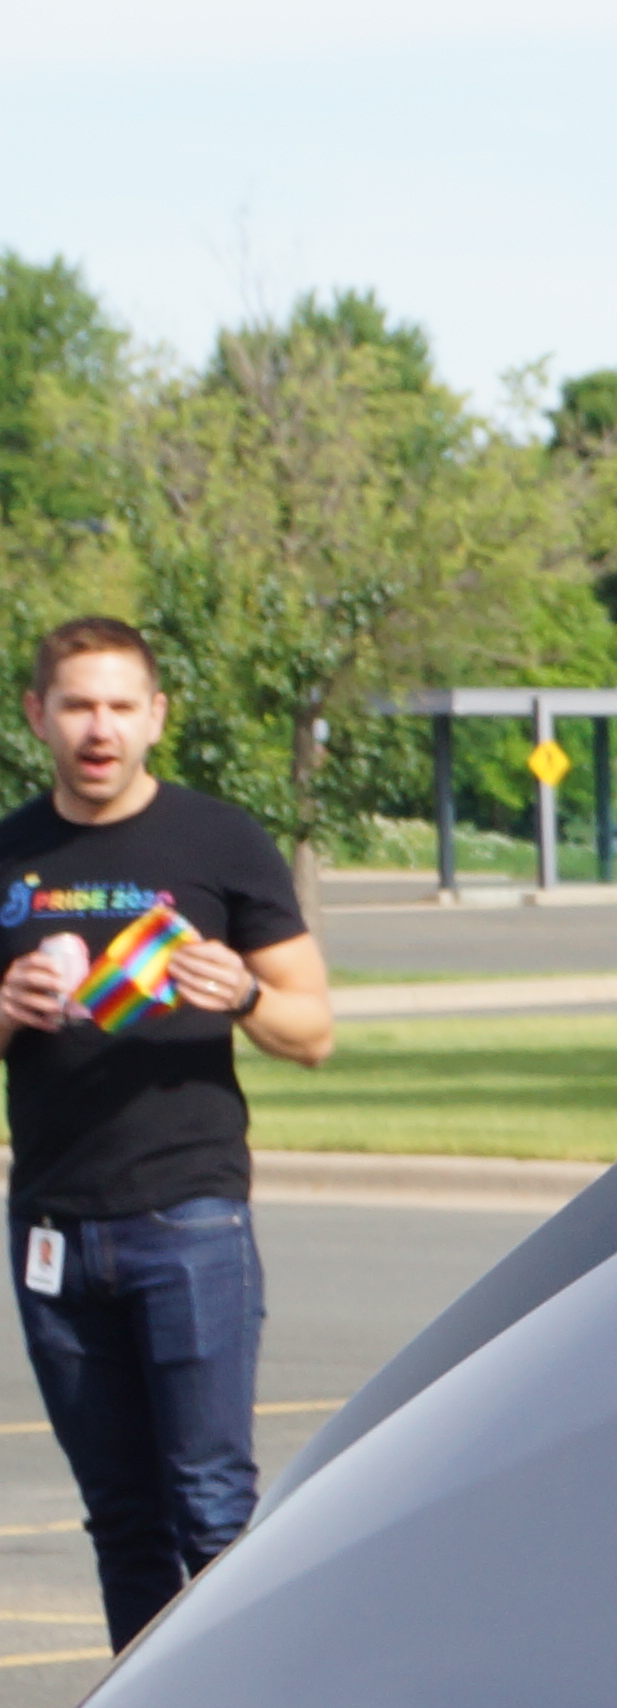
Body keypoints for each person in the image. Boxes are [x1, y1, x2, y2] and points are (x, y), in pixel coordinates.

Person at [0, 621, 331, 1642]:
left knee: (212, 1510)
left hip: (188, 1218)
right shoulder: (10, 851)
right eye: (77, 706)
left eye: (119, 706)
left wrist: (243, 994)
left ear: (156, 716)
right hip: (53, 1225)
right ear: (38, 715)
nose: (98, 729)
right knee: (122, 1518)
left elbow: (313, 1032)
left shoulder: (218, 842)